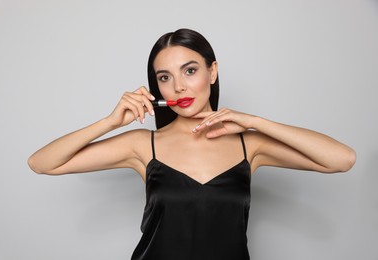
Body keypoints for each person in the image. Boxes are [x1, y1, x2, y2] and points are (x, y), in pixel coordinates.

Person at [28, 28, 356, 260]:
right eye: (165, 78)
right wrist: (109, 122)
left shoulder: (249, 146)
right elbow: (42, 163)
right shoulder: (143, 146)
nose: (179, 87)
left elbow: (342, 159)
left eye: (190, 71)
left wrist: (255, 122)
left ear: (212, 72)